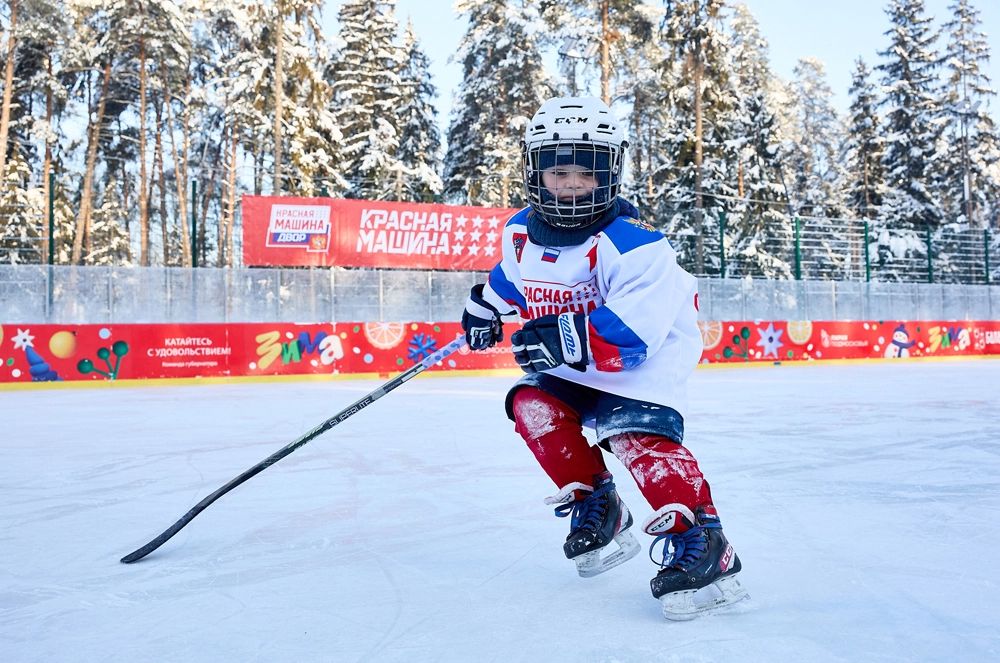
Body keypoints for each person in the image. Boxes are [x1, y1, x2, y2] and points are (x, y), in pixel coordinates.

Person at [461, 96, 748, 620]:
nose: (570, 183)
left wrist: (564, 338)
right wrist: (484, 308)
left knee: (632, 432)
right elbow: (513, 281)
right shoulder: (520, 230)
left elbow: (637, 330)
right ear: (535, 173)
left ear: (609, 173)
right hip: (577, 357)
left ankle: (705, 542)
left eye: (585, 172)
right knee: (531, 403)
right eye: (558, 171)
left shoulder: (634, 243)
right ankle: (600, 504)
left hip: (644, 361)